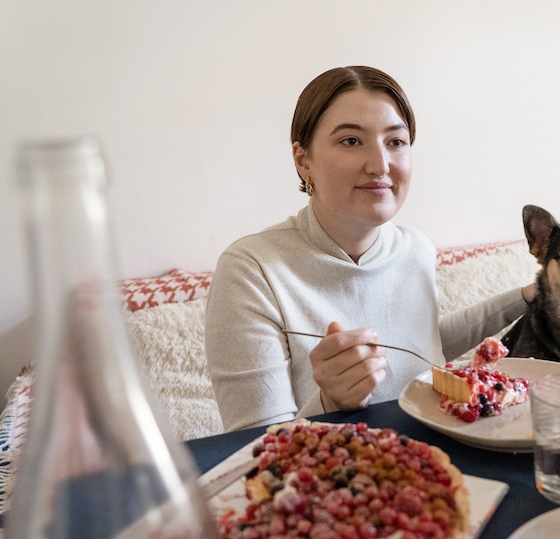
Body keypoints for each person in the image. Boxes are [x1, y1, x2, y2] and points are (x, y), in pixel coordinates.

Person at [205, 65, 535, 432]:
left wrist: (528, 296)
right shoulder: (252, 270)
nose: (380, 165)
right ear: (303, 161)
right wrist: (331, 402)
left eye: (395, 142)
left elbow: (424, 342)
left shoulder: (416, 249)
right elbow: (253, 450)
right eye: (351, 141)